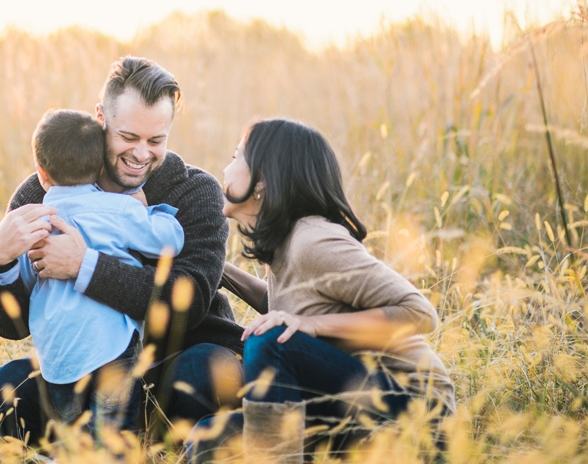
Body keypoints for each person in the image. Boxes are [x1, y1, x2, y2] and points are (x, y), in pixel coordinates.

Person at [0, 56, 245, 446]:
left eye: (156, 141)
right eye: (128, 137)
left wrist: (84, 266)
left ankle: (140, 444)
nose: (141, 154)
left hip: (178, 361)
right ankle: (93, 446)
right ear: (100, 117)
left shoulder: (194, 191)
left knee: (206, 370)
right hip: (87, 370)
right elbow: (10, 326)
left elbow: (188, 303)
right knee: (10, 384)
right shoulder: (43, 192)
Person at [189, 118, 455, 463]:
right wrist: (213, 265)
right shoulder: (286, 246)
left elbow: (419, 313)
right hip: (348, 408)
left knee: (271, 339)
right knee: (209, 437)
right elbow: (290, 307)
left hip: (416, 413)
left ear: (263, 182)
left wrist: (312, 326)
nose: (225, 168)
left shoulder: (312, 240)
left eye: (236, 156)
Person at [0, 107, 185, 438]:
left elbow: (22, 286)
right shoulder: (119, 209)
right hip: (112, 349)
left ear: (41, 173)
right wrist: (150, 210)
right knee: (113, 439)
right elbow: (170, 241)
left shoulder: (33, 223)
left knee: (73, 437)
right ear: (101, 166)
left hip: (60, 357)